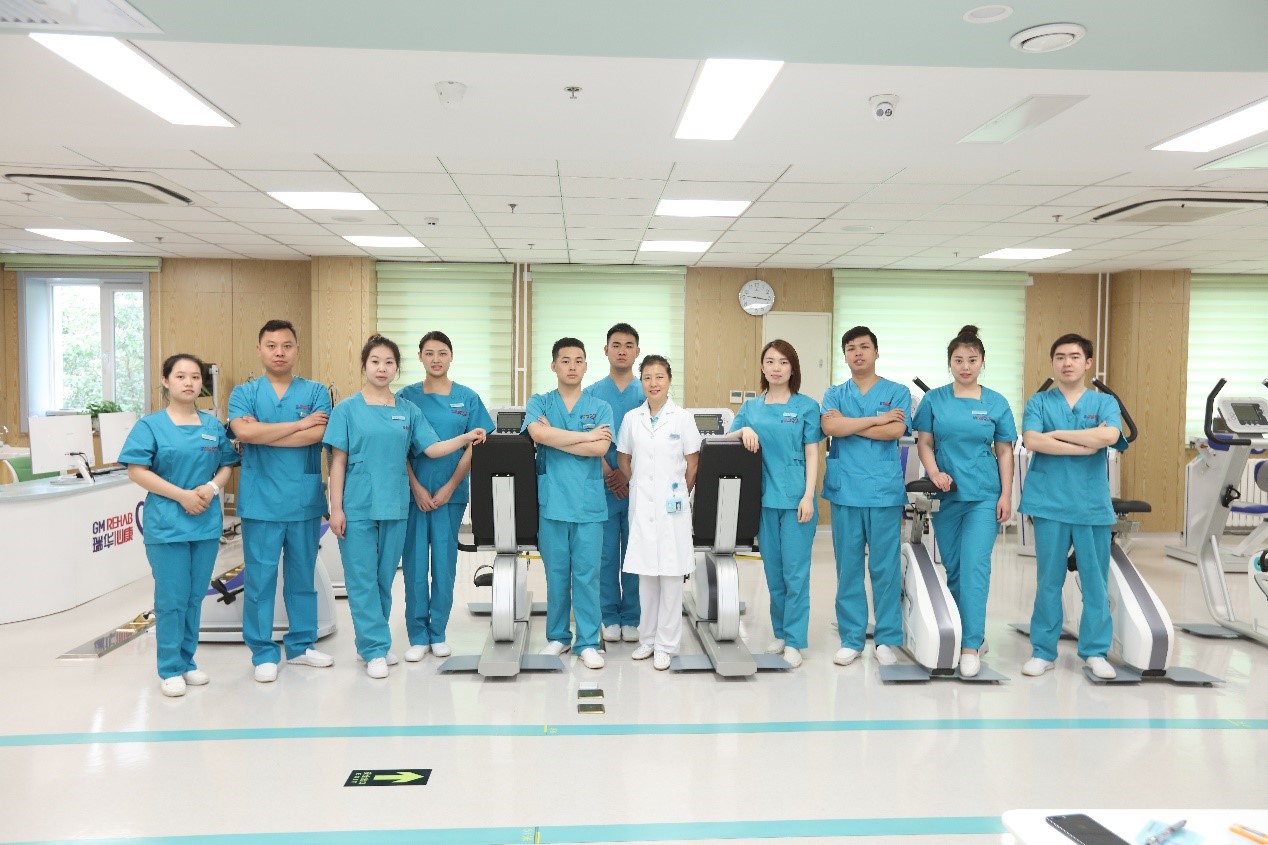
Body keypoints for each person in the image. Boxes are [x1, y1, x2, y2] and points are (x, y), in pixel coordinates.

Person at [323, 335, 486, 679]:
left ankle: (374, 644)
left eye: (388, 363)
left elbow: (432, 448)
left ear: (397, 368)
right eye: (375, 362)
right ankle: (374, 648)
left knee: (384, 578)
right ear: (364, 365)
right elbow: (337, 461)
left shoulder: (407, 410)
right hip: (359, 505)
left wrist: (466, 437)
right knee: (363, 579)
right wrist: (335, 508)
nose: (381, 368)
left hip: (395, 505)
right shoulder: (347, 410)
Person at [121, 354, 238, 697]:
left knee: (194, 596)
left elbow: (226, 464)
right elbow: (137, 470)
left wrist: (211, 487)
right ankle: (170, 667)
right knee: (172, 597)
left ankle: (187, 661)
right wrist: (182, 496)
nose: (189, 382)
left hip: (205, 522)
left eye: (195, 377)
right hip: (167, 523)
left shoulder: (212, 426)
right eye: (181, 376)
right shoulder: (150, 426)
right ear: (165, 381)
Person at [228, 319, 333, 684]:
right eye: (271, 346)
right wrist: (298, 425)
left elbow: (317, 435)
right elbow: (243, 432)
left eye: (287, 346)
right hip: (261, 501)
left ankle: (301, 646)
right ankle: (262, 651)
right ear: (259, 350)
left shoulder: (316, 391)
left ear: (297, 350)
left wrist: (264, 433)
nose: (279, 352)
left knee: (302, 575)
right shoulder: (244, 393)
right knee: (260, 579)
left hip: (303, 500)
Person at [1019, 333, 1127, 680]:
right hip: (1049, 502)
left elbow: (1110, 436)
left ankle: (1095, 651)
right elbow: (1032, 440)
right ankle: (1043, 651)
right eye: (1060, 357)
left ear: (1088, 363)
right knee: (1048, 582)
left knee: (1095, 582)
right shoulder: (1039, 402)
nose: (1067, 363)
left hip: (1090, 503)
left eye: (1075, 357)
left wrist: (1056, 435)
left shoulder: (1104, 402)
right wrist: (1086, 445)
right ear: (1052, 363)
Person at [912, 325, 1016, 678]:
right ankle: (963, 630)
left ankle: (970, 645)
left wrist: (1006, 494)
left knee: (975, 567)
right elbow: (924, 443)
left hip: (984, 494)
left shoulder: (996, 402)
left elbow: (1005, 451)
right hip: (947, 494)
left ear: (982, 362)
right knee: (955, 568)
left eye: (972, 360)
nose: (966, 366)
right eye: (959, 360)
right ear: (949, 363)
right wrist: (934, 472)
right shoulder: (934, 400)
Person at [397, 331, 494, 662]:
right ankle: (417, 635)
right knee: (414, 566)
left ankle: (437, 633)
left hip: (450, 495)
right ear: (420, 357)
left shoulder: (467, 398)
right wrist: (415, 486)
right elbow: (399, 448)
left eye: (442, 353)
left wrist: (451, 485)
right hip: (414, 494)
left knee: (444, 565)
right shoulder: (405, 398)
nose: (435, 359)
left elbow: (474, 446)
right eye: (429, 353)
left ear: (451, 356)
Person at [727, 339, 822, 668]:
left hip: (797, 500)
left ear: (792, 368)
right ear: (762, 367)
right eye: (770, 361)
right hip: (765, 500)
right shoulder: (751, 408)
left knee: (796, 573)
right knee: (774, 572)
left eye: (783, 362)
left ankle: (795, 640)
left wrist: (808, 495)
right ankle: (780, 632)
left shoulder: (806, 406)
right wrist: (744, 430)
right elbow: (727, 436)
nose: (776, 367)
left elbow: (812, 453)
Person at [821, 326, 912, 668]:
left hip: (883, 491)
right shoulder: (834, 393)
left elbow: (895, 430)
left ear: (876, 352)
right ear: (845, 355)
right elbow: (830, 428)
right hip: (846, 491)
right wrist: (876, 419)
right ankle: (851, 639)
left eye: (864, 347)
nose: (857, 353)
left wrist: (851, 424)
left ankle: (886, 639)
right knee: (848, 569)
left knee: (885, 568)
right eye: (851, 348)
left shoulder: (897, 392)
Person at [523, 337, 614, 669]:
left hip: (588, 506)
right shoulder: (540, 402)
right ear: (554, 366)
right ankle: (558, 637)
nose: (572, 366)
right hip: (552, 504)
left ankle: (588, 641)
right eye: (565, 360)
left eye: (578, 360)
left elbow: (600, 449)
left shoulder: (600, 407)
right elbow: (538, 435)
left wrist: (557, 437)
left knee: (588, 576)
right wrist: (586, 435)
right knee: (557, 574)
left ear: (586, 366)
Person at [616, 355, 701, 670]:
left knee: (671, 576)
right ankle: (647, 639)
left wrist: (678, 493)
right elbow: (623, 458)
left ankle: (666, 644)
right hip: (642, 506)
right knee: (647, 577)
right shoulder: (632, 418)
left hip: (672, 507)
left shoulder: (682, 418)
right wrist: (638, 485)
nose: (654, 383)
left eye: (659, 377)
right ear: (642, 382)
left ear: (669, 380)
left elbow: (693, 464)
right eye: (648, 377)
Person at [584, 323, 645, 644]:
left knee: (634, 553)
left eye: (629, 345)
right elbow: (585, 437)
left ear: (637, 351)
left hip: (638, 486)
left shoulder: (646, 392)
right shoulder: (592, 393)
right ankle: (608, 614)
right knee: (605, 554)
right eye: (616, 345)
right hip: (603, 484)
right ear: (605, 350)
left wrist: (627, 474)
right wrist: (610, 471)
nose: (622, 350)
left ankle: (632, 616)